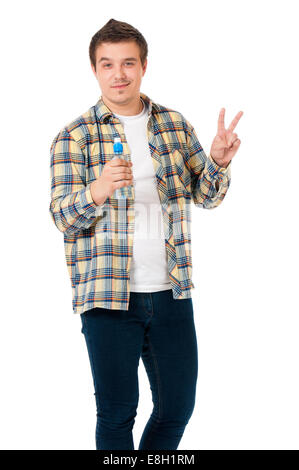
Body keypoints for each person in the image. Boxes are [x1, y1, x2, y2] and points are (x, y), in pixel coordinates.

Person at [49, 18, 243, 450]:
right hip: (107, 296)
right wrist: (97, 190)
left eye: (128, 63)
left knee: (177, 407)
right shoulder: (74, 137)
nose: (119, 74)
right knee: (118, 413)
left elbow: (206, 196)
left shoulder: (174, 125)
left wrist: (218, 161)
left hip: (172, 292)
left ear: (143, 66)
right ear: (95, 70)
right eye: (107, 64)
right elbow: (62, 216)